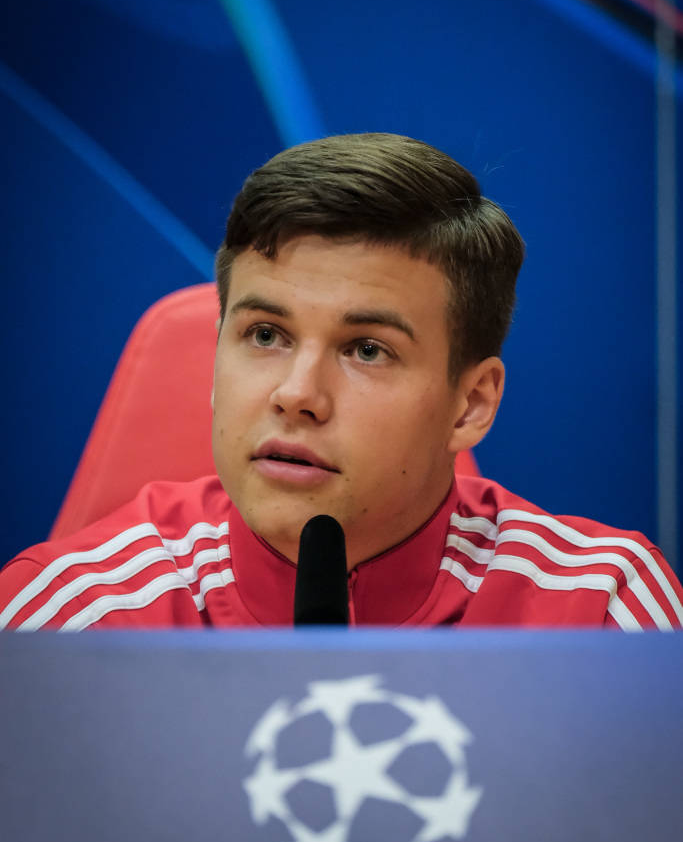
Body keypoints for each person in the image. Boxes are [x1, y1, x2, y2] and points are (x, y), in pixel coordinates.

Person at [1, 133, 681, 630]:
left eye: (367, 350)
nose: (296, 394)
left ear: (469, 405)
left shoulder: (602, 615)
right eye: (265, 335)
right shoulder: (66, 620)